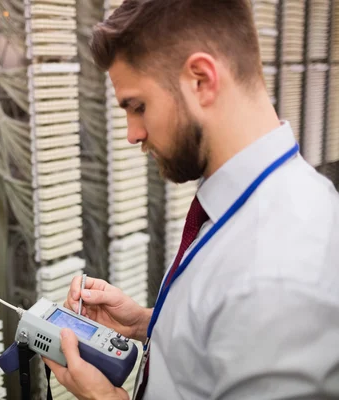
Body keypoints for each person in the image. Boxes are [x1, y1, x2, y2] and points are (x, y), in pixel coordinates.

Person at [41, 0, 339, 399]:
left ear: (200, 80)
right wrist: (147, 324)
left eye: (137, 106)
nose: (132, 134)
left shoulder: (281, 273)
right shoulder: (243, 208)